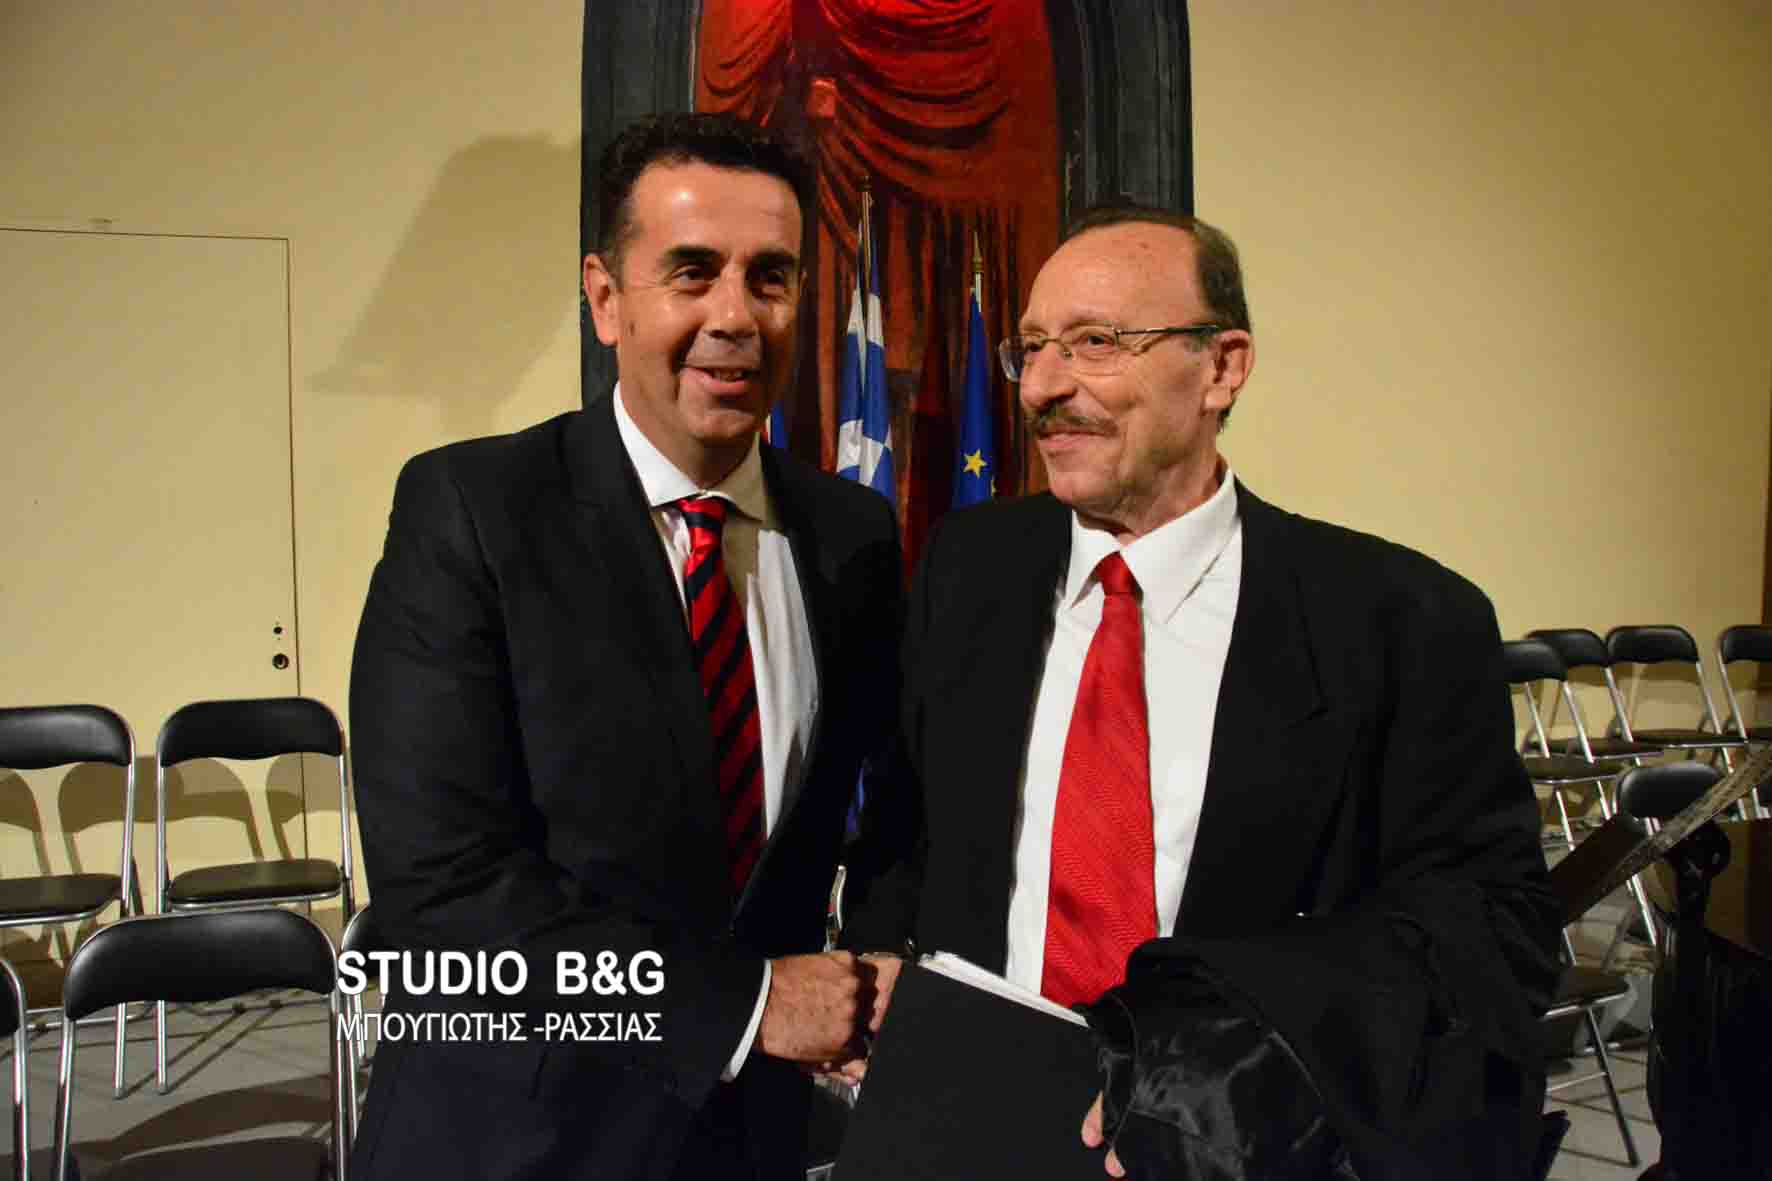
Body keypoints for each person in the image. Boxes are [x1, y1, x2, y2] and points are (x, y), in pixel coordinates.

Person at [842, 207, 1563, 1178]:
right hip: (963, 1117)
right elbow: (902, 827)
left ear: (1222, 366)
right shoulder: (967, 567)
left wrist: (1215, 1069)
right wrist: (882, 966)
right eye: (1032, 349)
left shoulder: (1402, 620)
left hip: (1224, 1144)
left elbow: (1487, 930)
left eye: (1096, 342)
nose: (1045, 385)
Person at [348, 112, 901, 1181]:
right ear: (605, 299)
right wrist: (745, 1005)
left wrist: (877, 963)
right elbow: (444, 890)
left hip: (753, 1141)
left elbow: (890, 805)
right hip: (518, 1135)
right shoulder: (471, 510)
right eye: (691, 272)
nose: (734, 316)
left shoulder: (852, 535)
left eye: (772, 277)